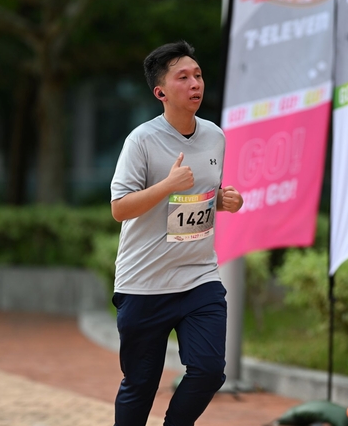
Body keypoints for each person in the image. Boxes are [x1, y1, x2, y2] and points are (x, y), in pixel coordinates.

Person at [109, 40, 243, 426]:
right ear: (161, 92)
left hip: (198, 277)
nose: (195, 83)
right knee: (141, 384)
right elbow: (120, 208)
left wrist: (223, 200)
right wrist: (167, 185)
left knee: (209, 371)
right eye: (182, 77)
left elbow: (200, 194)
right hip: (144, 283)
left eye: (197, 75)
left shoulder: (215, 136)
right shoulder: (142, 141)